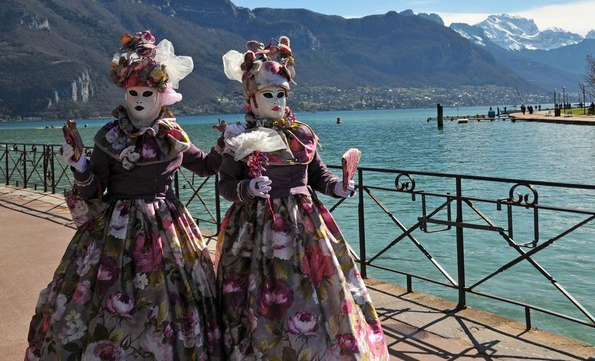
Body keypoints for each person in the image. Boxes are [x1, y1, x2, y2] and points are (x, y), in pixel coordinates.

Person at [25, 30, 224, 360]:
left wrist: (228, 144)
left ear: (162, 94)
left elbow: (205, 167)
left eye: (148, 92)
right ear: (124, 91)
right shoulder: (109, 135)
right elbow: (94, 190)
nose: (140, 99)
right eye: (134, 92)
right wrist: (79, 165)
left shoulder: (173, 134)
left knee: (172, 296)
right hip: (115, 232)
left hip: (168, 228)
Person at [216, 37, 389, 360]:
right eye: (268, 95)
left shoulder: (302, 134)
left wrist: (338, 187)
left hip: (305, 224)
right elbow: (225, 185)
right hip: (255, 229)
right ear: (251, 100)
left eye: (281, 94)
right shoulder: (238, 138)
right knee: (263, 294)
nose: (277, 101)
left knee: (317, 290)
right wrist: (247, 190)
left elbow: (319, 175)